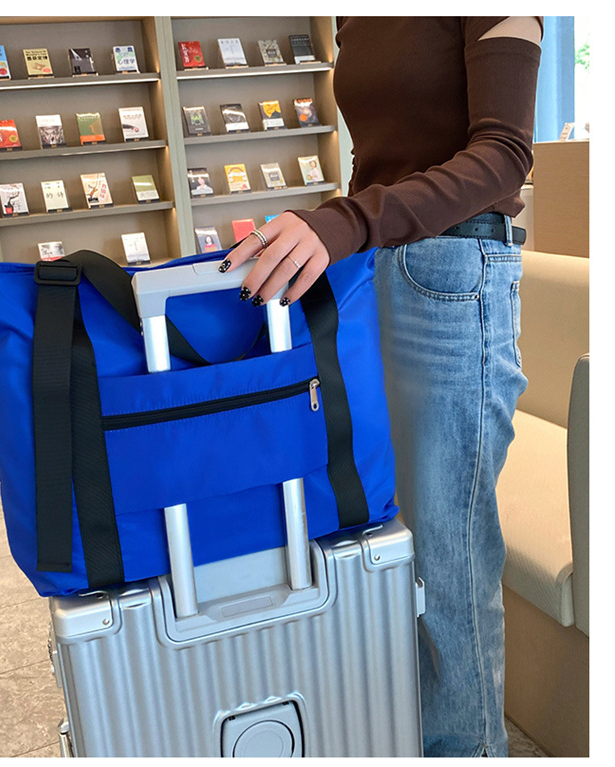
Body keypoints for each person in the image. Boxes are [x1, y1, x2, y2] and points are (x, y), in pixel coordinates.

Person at [219, 16, 543, 758]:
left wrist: (343, 223)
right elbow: (381, 158)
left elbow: (503, 157)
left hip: (452, 277)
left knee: (447, 559)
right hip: (372, 272)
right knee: (382, 536)